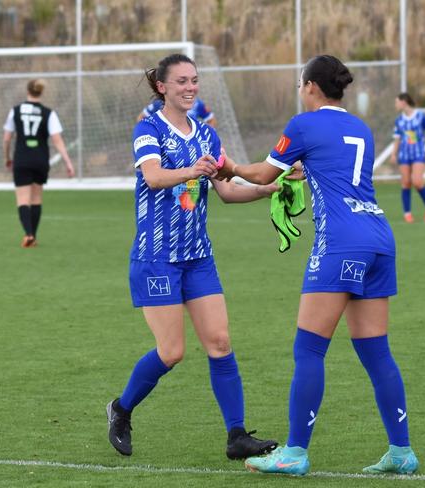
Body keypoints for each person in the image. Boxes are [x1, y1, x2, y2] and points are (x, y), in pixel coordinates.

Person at [215, 55, 419, 476]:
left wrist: (227, 165)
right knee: (376, 351)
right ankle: (401, 451)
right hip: (379, 239)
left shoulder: (303, 124)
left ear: (310, 86)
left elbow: (260, 172)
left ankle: (294, 451)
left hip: (340, 243)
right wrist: (301, 173)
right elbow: (332, 171)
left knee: (309, 348)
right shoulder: (359, 127)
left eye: (299, 84)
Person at [106, 53, 279, 460]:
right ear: (162, 87)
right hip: (157, 258)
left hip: (198, 256)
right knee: (172, 352)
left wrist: (268, 190)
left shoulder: (207, 135)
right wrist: (190, 171)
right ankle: (121, 409)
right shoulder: (148, 129)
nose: (190, 87)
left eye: (194, 80)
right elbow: (152, 175)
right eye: (181, 81)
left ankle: (236, 435)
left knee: (220, 343)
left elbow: (228, 189)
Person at [3, 79, 75, 247]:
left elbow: (6, 138)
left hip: (22, 158)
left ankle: (28, 234)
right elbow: (57, 141)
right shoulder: (48, 113)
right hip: (40, 160)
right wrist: (68, 163)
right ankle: (33, 236)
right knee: (36, 199)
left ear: (27, 91)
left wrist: (7, 158)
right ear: (41, 92)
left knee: (23, 200)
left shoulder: (15, 111)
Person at [391, 92, 425, 223]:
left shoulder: (421, 116)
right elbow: (397, 138)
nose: (396, 105)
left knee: (417, 181)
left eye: (397, 102)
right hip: (404, 154)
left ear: (403, 102)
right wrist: (394, 154)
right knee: (405, 183)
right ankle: (407, 214)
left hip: (418, 154)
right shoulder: (399, 120)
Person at [137, 96, 217, 127]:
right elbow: (141, 117)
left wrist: (205, 134)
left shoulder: (197, 103)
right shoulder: (159, 103)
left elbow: (211, 119)